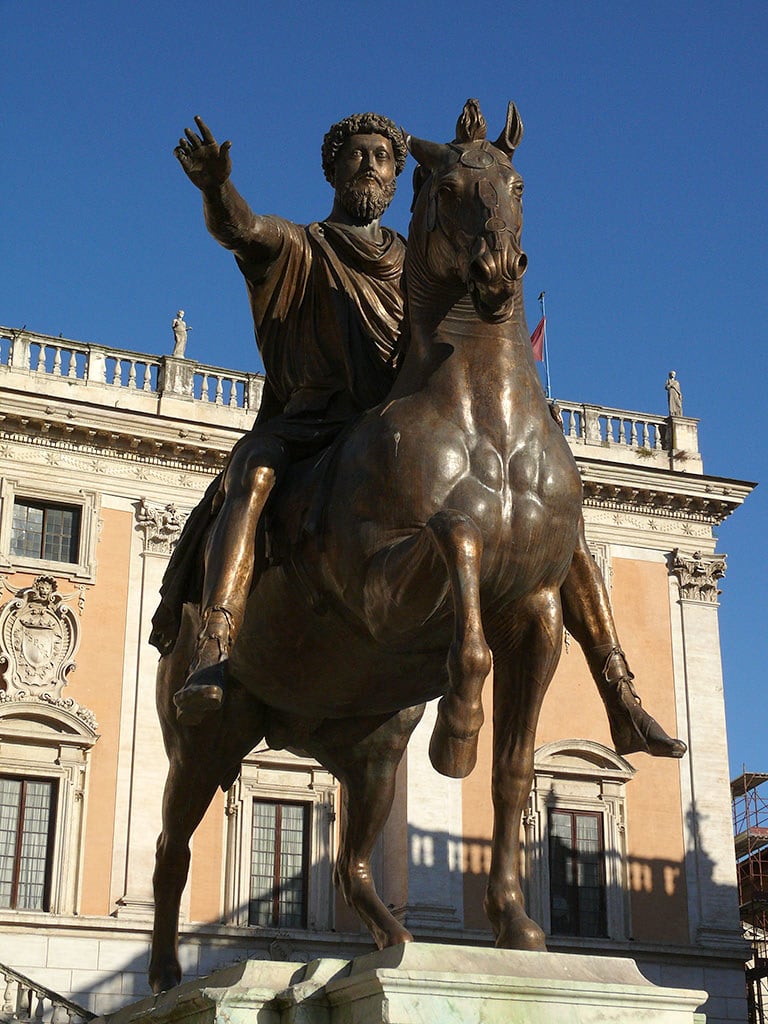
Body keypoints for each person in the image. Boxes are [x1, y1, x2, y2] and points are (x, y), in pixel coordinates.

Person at [151, 113, 683, 759]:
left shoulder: (416, 259)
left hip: (404, 434)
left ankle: (618, 687)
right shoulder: (300, 245)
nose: (369, 166)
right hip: (312, 423)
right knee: (253, 472)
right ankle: (214, 641)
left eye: (382, 157)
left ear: (399, 178)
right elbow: (241, 230)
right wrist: (216, 187)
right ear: (332, 169)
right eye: (356, 155)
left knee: (549, 522)